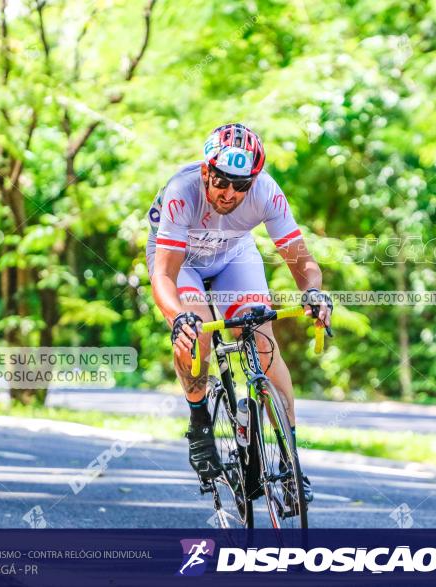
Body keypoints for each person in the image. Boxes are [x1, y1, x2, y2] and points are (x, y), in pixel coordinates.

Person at [146, 123, 332, 502]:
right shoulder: (183, 192)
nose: (230, 193)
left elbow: (302, 263)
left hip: (233, 255)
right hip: (183, 263)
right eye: (222, 181)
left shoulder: (266, 192)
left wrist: (313, 292)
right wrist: (179, 316)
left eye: (241, 185)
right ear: (206, 171)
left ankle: (291, 462)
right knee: (195, 333)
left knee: (262, 339)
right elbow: (163, 275)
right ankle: (199, 422)